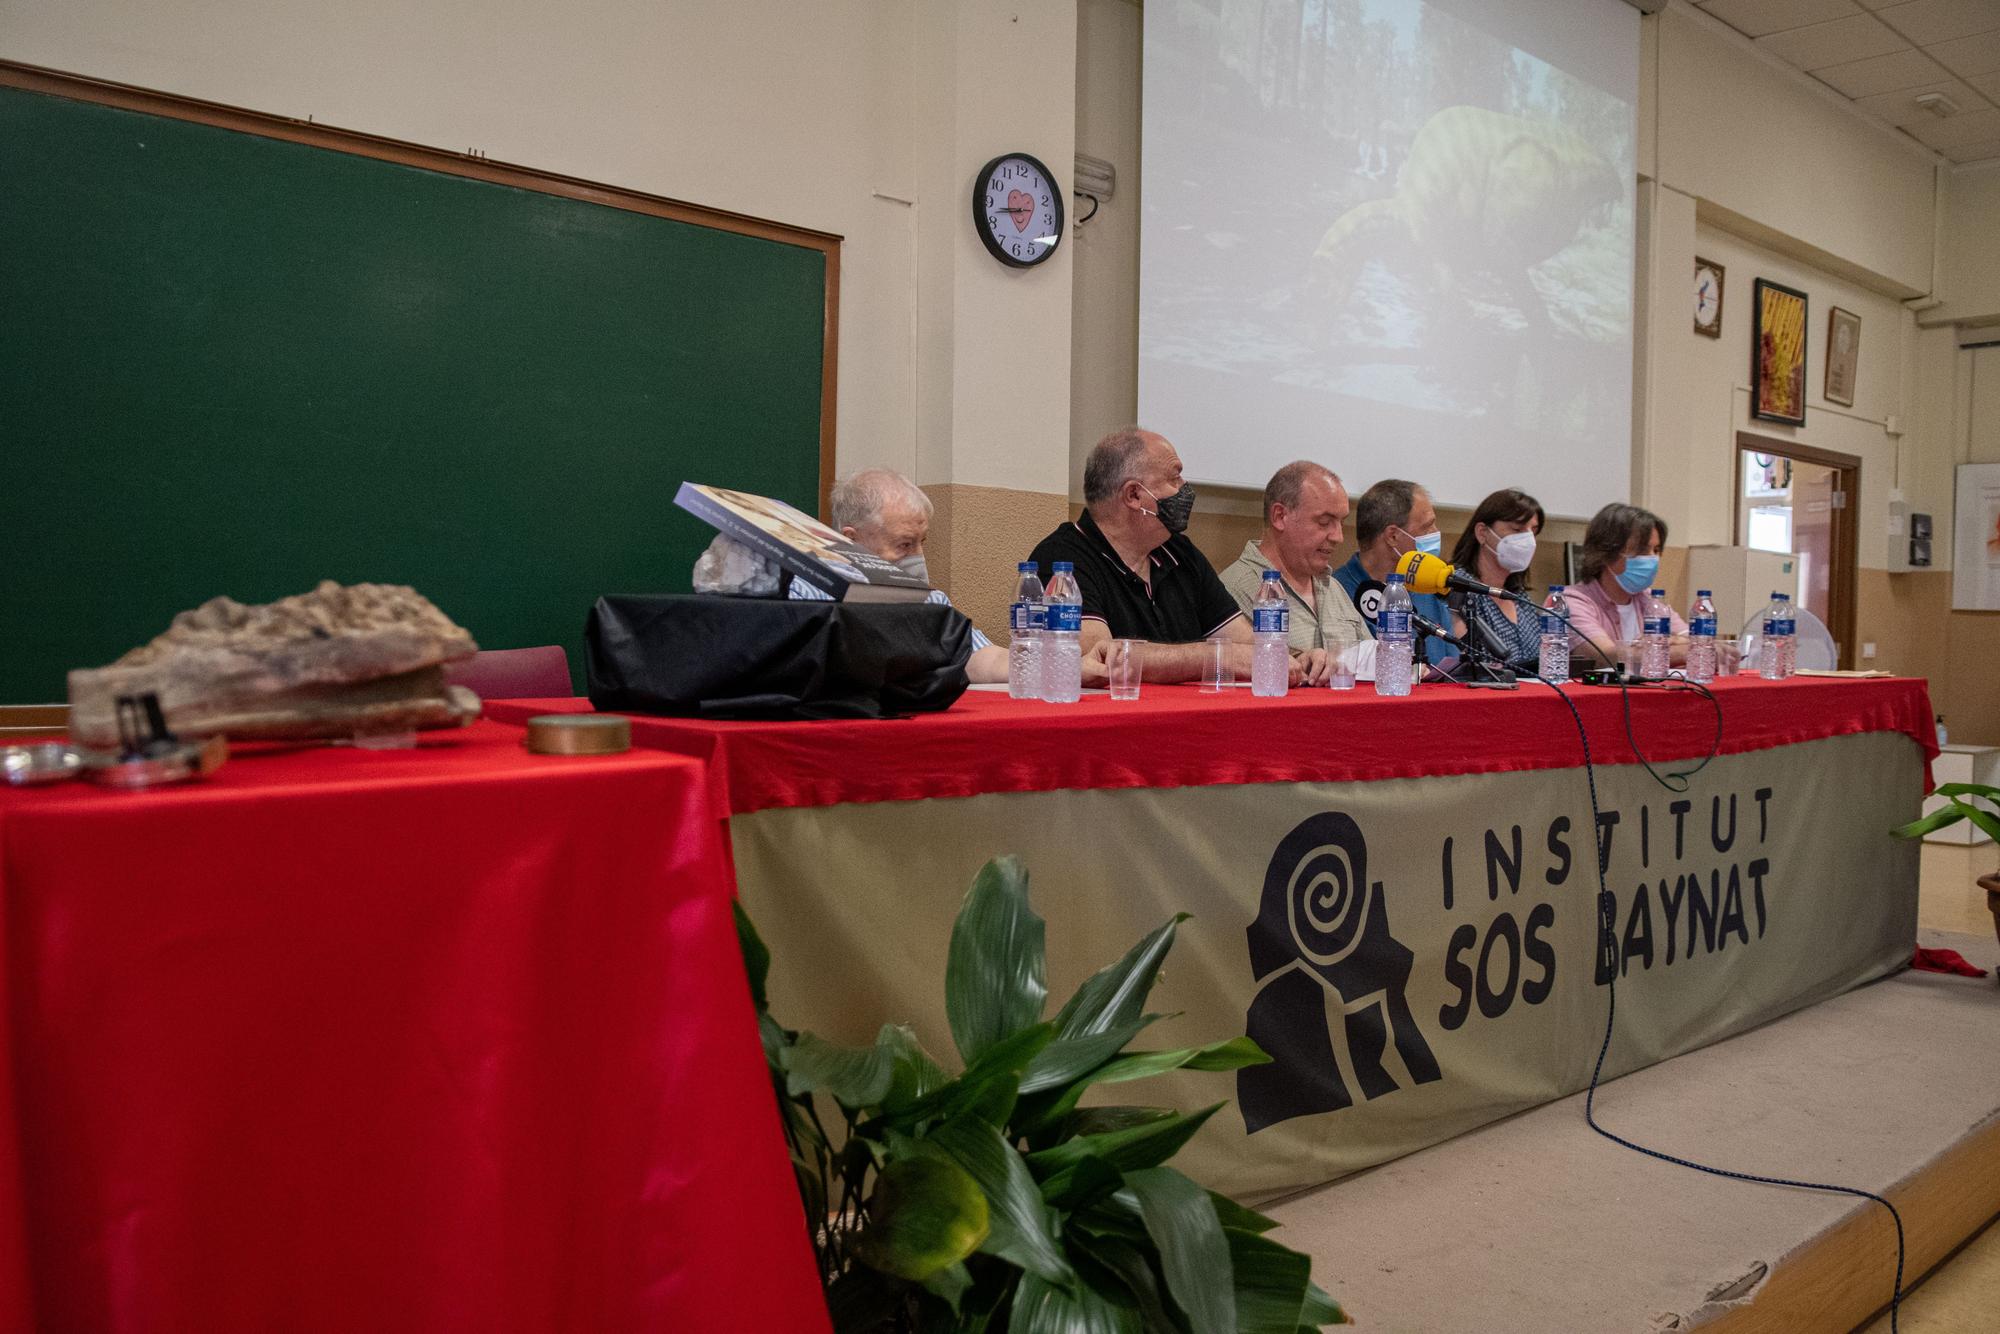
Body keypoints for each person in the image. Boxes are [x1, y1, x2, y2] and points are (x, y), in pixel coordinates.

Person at [1028, 428, 1324, 685]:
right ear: (1134, 495)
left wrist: (1300, 658)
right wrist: (1217, 657)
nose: (1185, 488)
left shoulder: (1180, 552)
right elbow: (1098, 657)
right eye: (1175, 477)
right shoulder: (1061, 560)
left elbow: (1245, 644)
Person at [788, 469, 1008, 684]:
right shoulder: (803, 594)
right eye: (904, 544)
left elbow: (978, 656)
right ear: (852, 540)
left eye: (921, 542)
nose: (918, 557)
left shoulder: (929, 600)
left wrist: (1027, 665)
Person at [1221, 461, 1372, 671]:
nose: (1338, 537)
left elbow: (1373, 664)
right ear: (1280, 516)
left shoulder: (1334, 588)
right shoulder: (1233, 590)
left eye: (1341, 522)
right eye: (1324, 522)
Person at [1332, 479, 1456, 668]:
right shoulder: (1337, 592)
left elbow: (1453, 667)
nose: (1436, 532)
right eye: (1427, 527)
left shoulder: (1427, 587)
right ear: (1393, 536)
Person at [1563, 502, 1686, 670]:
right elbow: (1607, 656)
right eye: (1642, 550)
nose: (1652, 558)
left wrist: (1679, 641)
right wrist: (1684, 651)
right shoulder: (1572, 601)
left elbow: (1698, 640)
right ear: (1606, 552)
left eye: (1656, 550)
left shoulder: (1649, 599)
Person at [1444, 488, 1545, 671]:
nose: (1529, 540)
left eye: (1533, 531)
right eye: (1517, 529)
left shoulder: (1520, 597)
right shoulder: (1458, 587)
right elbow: (1464, 662)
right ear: (1482, 533)